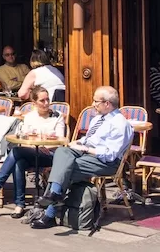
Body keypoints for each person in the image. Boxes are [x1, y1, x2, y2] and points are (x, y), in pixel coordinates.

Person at [31, 86, 133, 229]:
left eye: (96, 101)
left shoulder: (119, 123)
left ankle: (50, 212)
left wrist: (86, 149)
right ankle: (54, 196)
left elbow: (110, 154)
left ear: (107, 104)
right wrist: (79, 142)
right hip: (86, 153)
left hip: (105, 162)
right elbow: (90, 139)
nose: (93, 104)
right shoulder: (99, 118)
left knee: (64, 167)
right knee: (62, 152)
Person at [0, 86, 67, 217]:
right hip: (32, 151)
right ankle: (19, 205)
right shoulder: (29, 117)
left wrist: (42, 144)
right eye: (42, 100)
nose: (46, 103)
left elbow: (61, 140)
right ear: (34, 103)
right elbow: (23, 140)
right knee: (19, 162)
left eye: (47, 100)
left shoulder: (57, 116)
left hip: (50, 154)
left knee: (16, 152)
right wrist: (35, 145)